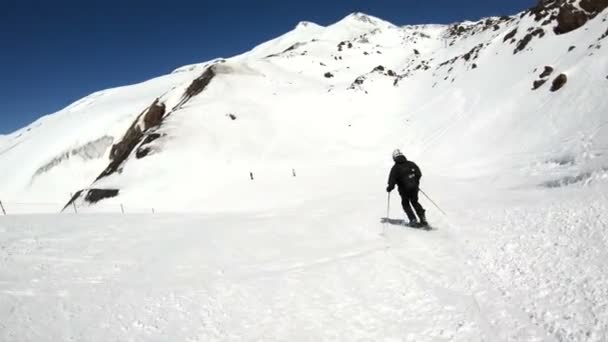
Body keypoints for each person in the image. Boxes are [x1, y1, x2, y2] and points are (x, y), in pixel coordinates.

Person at [386, 149, 427, 226]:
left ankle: (413, 219)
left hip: (404, 189)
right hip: (414, 188)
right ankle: (423, 218)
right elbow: (418, 173)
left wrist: (389, 187)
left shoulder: (395, 168)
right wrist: (415, 182)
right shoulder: (411, 163)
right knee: (415, 202)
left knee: (405, 203)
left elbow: (392, 180)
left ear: (394, 158)